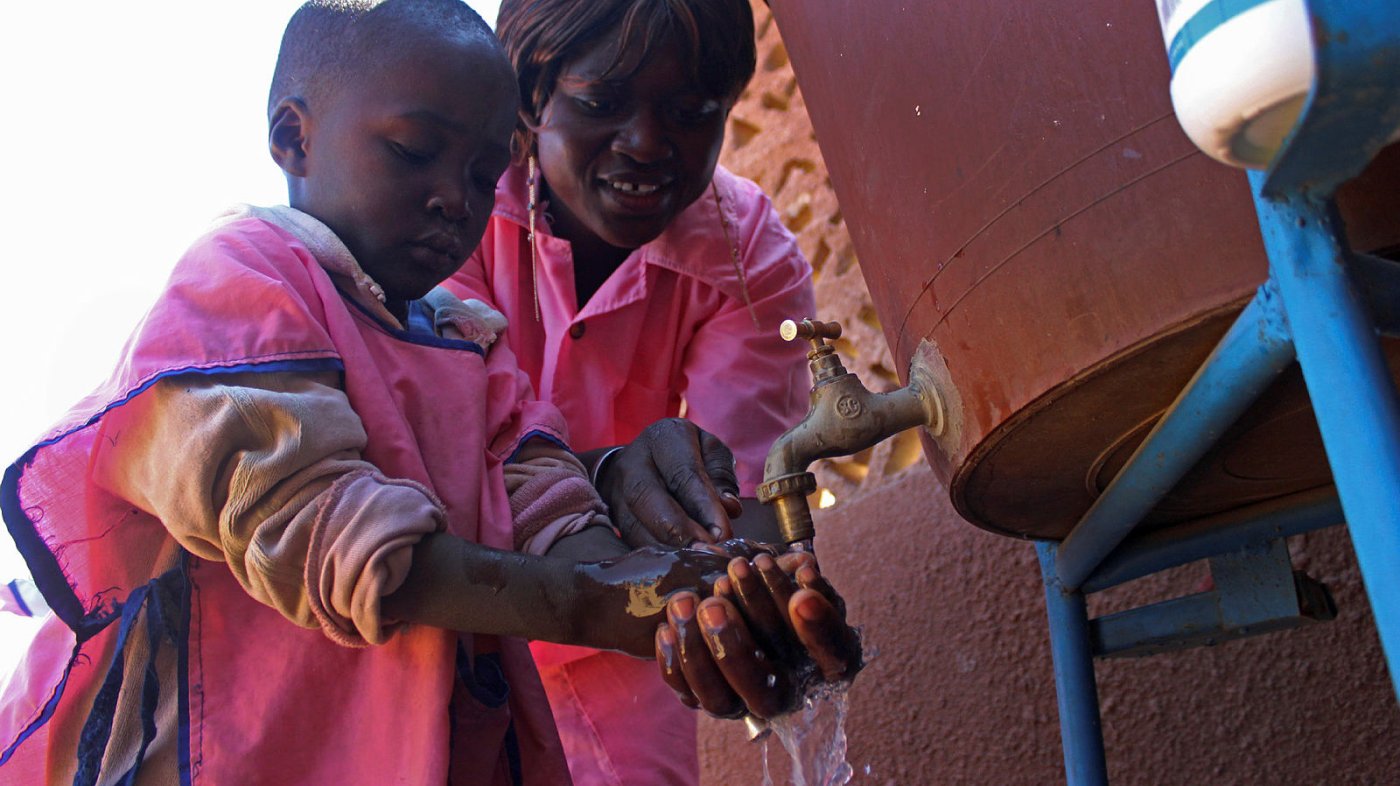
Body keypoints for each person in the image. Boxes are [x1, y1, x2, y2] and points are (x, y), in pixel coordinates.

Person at [0, 2, 854, 783]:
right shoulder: (241, 288)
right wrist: (600, 602)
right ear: (291, 138)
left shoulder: (464, 338)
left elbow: (553, 512)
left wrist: (720, 591)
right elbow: (327, 536)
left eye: (483, 173)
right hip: (199, 749)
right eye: (414, 153)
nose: (454, 196)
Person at [447, 1, 821, 783]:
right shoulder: (452, 203)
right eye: (601, 104)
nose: (648, 144)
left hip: (630, 615)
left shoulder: (750, 259)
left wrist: (750, 601)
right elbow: (443, 450)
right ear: (529, 98)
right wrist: (610, 472)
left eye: (693, 113)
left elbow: (741, 500)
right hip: (449, 594)